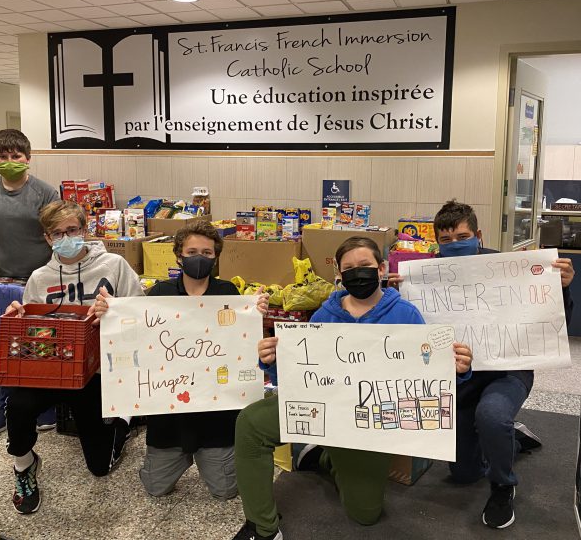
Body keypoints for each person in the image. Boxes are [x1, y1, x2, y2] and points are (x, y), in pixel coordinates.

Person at [232, 236, 473, 540]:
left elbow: (426, 378)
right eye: (349, 269)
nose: (358, 273)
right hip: (323, 408)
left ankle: (323, 456)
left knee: (365, 515)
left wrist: (457, 369)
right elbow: (300, 377)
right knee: (251, 423)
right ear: (340, 275)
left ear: (382, 268)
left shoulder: (407, 315)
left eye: (365, 266)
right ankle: (262, 527)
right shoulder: (323, 315)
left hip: (371, 422)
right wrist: (272, 361)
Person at [389, 199, 574, 529]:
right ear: (436, 243)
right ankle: (510, 438)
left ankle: (503, 486)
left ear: (478, 234)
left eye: (462, 237)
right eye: (445, 240)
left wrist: (561, 289)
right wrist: (392, 295)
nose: (454, 245)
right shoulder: (425, 275)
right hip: (462, 378)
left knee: (491, 415)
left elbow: (553, 320)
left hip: (507, 370)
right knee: (463, 474)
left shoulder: (507, 266)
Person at [94, 220, 269, 501]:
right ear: (178, 255)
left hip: (216, 418)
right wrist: (109, 311)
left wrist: (255, 311)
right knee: (156, 488)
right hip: (169, 417)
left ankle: (211, 456)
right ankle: (176, 457)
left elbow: (241, 342)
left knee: (226, 492)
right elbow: (135, 334)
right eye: (191, 252)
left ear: (216, 257)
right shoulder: (160, 293)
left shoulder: (229, 294)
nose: (199, 258)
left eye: (207, 253)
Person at [4, 200, 144, 514]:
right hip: (54, 368)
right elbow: (32, 334)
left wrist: (115, 310)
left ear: (84, 229)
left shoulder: (114, 266)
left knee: (100, 467)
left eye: (72, 230)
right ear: (48, 238)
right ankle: (24, 466)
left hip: (97, 371)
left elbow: (141, 313)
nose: (66, 238)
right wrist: (20, 318)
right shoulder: (40, 278)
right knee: (18, 403)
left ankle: (122, 419)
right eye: (57, 233)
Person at [0, 129, 59, 435]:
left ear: (28, 157)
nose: (10, 161)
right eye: (3, 156)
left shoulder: (44, 193)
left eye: (16, 156)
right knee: (6, 346)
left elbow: (59, 234)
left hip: (39, 279)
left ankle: (46, 402)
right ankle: (6, 405)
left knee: (42, 342)